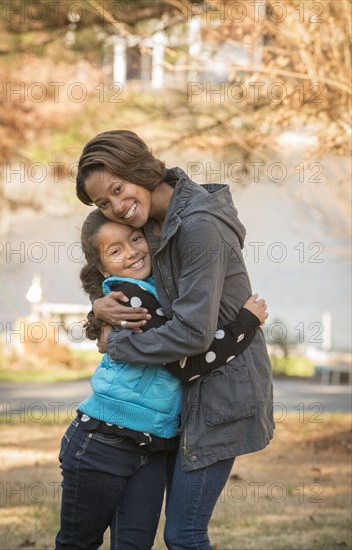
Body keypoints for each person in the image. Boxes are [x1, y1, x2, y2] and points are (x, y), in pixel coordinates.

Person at [76, 130, 274, 550]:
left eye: (117, 189)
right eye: (103, 204)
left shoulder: (198, 227)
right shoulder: (149, 220)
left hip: (220, 391)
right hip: (180, 393)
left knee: (184, 534)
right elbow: (125, 280)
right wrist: (97, 307)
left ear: (139, 169)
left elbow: (190, 332)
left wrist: (116, 345)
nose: (118, 208)